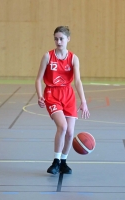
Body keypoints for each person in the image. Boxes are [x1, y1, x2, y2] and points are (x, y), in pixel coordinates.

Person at [35, 26, 90, 175]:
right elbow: (39, 79)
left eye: (61, 38)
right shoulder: (48, 56)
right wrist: (40, 96)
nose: (58, 41)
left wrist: (83, 101)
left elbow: (77, 81)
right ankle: (55, 161)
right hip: (52, 94)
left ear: (68, 39)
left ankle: (64, 162)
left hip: (68, 94)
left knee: (70, 132)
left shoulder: (73, 58)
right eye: (56, 38)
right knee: (63, 126)